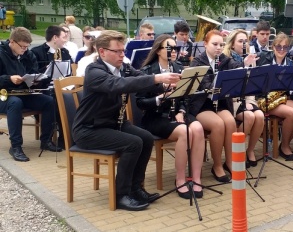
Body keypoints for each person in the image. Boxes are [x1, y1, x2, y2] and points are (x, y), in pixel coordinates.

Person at [72, 30, 181, 211]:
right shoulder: (94, 71)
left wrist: (165, 86)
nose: (122, 55)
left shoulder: (123, 67)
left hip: (113, 124)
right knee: (132, 143)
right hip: (89, 129)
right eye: (117, 51)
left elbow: (138, 78)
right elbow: (119, 85)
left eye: (123, 50)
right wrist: (157, 77)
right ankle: (121, 195)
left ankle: (136, 188)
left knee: (145, 138)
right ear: (102, 52)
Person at [137, 34, 205, 199]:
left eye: (176, 48)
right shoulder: (147, 72)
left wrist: (182, 111)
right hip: (155, 116)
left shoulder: (179, 67)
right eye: (170, 48)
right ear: (158, 51)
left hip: (177, 113)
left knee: (198, 128)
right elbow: (140, 102)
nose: (174, 51)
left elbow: (186, 96)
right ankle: (180, 179)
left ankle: (196, 178)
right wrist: (160, 98)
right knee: (185, 132)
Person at [189, 30, 256, 182]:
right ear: (205, 44)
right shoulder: (197, 62)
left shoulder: (223, 59)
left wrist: (245, 64)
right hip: (202, 105)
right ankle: (217, 165)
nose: (218, 48)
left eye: (221, 44)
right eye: (214, 44)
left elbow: (235, 66)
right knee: (218, 125)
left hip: (219, 103)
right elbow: (204, 86)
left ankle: (230, 161)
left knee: (230, 122)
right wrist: (217, 82)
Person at [0, 27, 59, 162]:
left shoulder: (28, 54)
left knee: (49, 101)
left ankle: (46, 140)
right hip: (4, 96)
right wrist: (9, 79)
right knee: (15, 103)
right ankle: (16, 147)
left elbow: (33, 72)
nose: (25, 50)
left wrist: (36, 81)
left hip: (22, 93)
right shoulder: (1, 54)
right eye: (22, 47)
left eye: (27, 47)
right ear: (12, 42)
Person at [256, 33, 293, 161]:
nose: (281, 50)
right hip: (266, 98)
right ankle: (285, 147)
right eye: (279, 47)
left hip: (283, 97)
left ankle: (284, 144)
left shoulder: (291, 63)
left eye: (285, 47)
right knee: (291, 113)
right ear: (273, 47)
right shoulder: (263, 58)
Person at [223, 29, 264, 167]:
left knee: (259, 115)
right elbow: (229, 85)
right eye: (240, 41)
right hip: (232, 101)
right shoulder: (226, 59)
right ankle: (236, 153)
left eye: (245, 41)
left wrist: (250, 102)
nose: (244, 44)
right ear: (232, 44)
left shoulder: (250, 58)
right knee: (250, 117)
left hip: (246, 100)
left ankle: (249, 150)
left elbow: (252, 85)